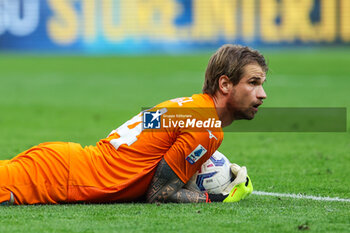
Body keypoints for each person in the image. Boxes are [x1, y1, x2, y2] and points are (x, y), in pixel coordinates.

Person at [0, 44, 267, 205]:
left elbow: (145, 149)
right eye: (253, 83)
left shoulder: (187, 105)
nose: (262, 94)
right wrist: (215, 197)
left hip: (65, 164)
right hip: (61, 179)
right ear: (224, 84)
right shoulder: (206, 126)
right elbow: (159, 194)